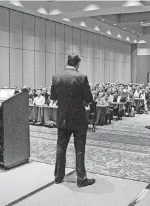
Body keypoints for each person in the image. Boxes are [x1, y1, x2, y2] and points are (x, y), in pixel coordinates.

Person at [50, 53, 95, 187]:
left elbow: (53, 97)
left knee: (60, 147)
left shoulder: (56, 77)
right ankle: (81, 179)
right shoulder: (82, 77)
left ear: (67, 62)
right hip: (79, 119)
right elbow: (88, 98)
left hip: (62, 118)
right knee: (79, 149)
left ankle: (58, 176)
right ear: (78, 64)